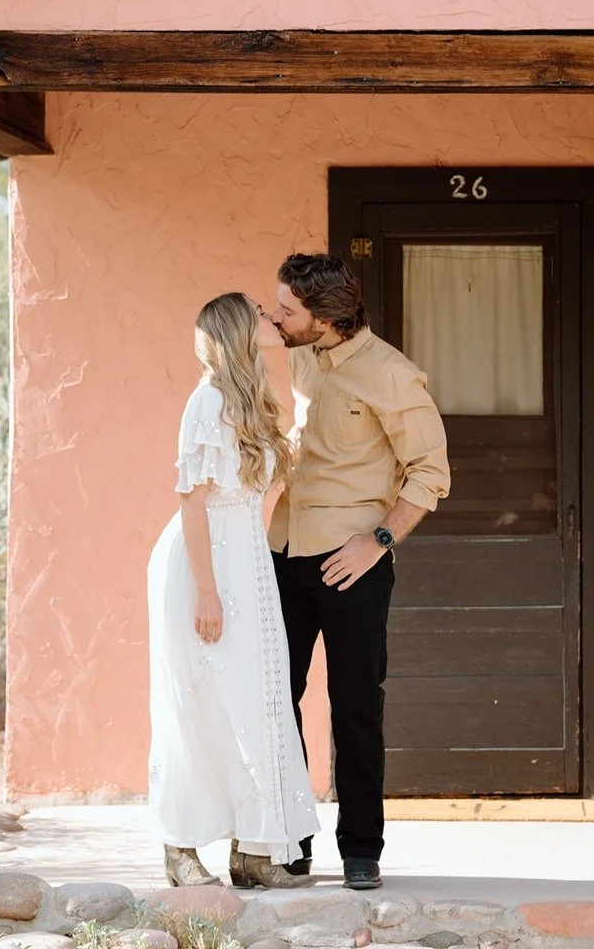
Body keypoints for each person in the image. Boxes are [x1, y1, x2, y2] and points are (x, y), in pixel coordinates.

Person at [270, 253, 450, 891]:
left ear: (325, 320)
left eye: (287, 310)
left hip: (353, 565)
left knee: (353, 706)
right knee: (273, 702)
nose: (275, 317)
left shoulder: (392, 375)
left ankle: (361, 850)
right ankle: (288, 842)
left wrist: (378, 540)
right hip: (283, 552)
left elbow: (430, 472)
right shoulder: (301, 356)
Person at [148, 292, 320, 889]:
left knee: (257, 698)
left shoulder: (249, 399)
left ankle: (254, 850)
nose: (269, 317)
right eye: (258, 311)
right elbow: (191, 500)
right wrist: (206, 592)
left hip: (246, 560)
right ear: (234, 329)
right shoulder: (207, 401)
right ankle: (180, 847)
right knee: (197, 700)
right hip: (204, 565)